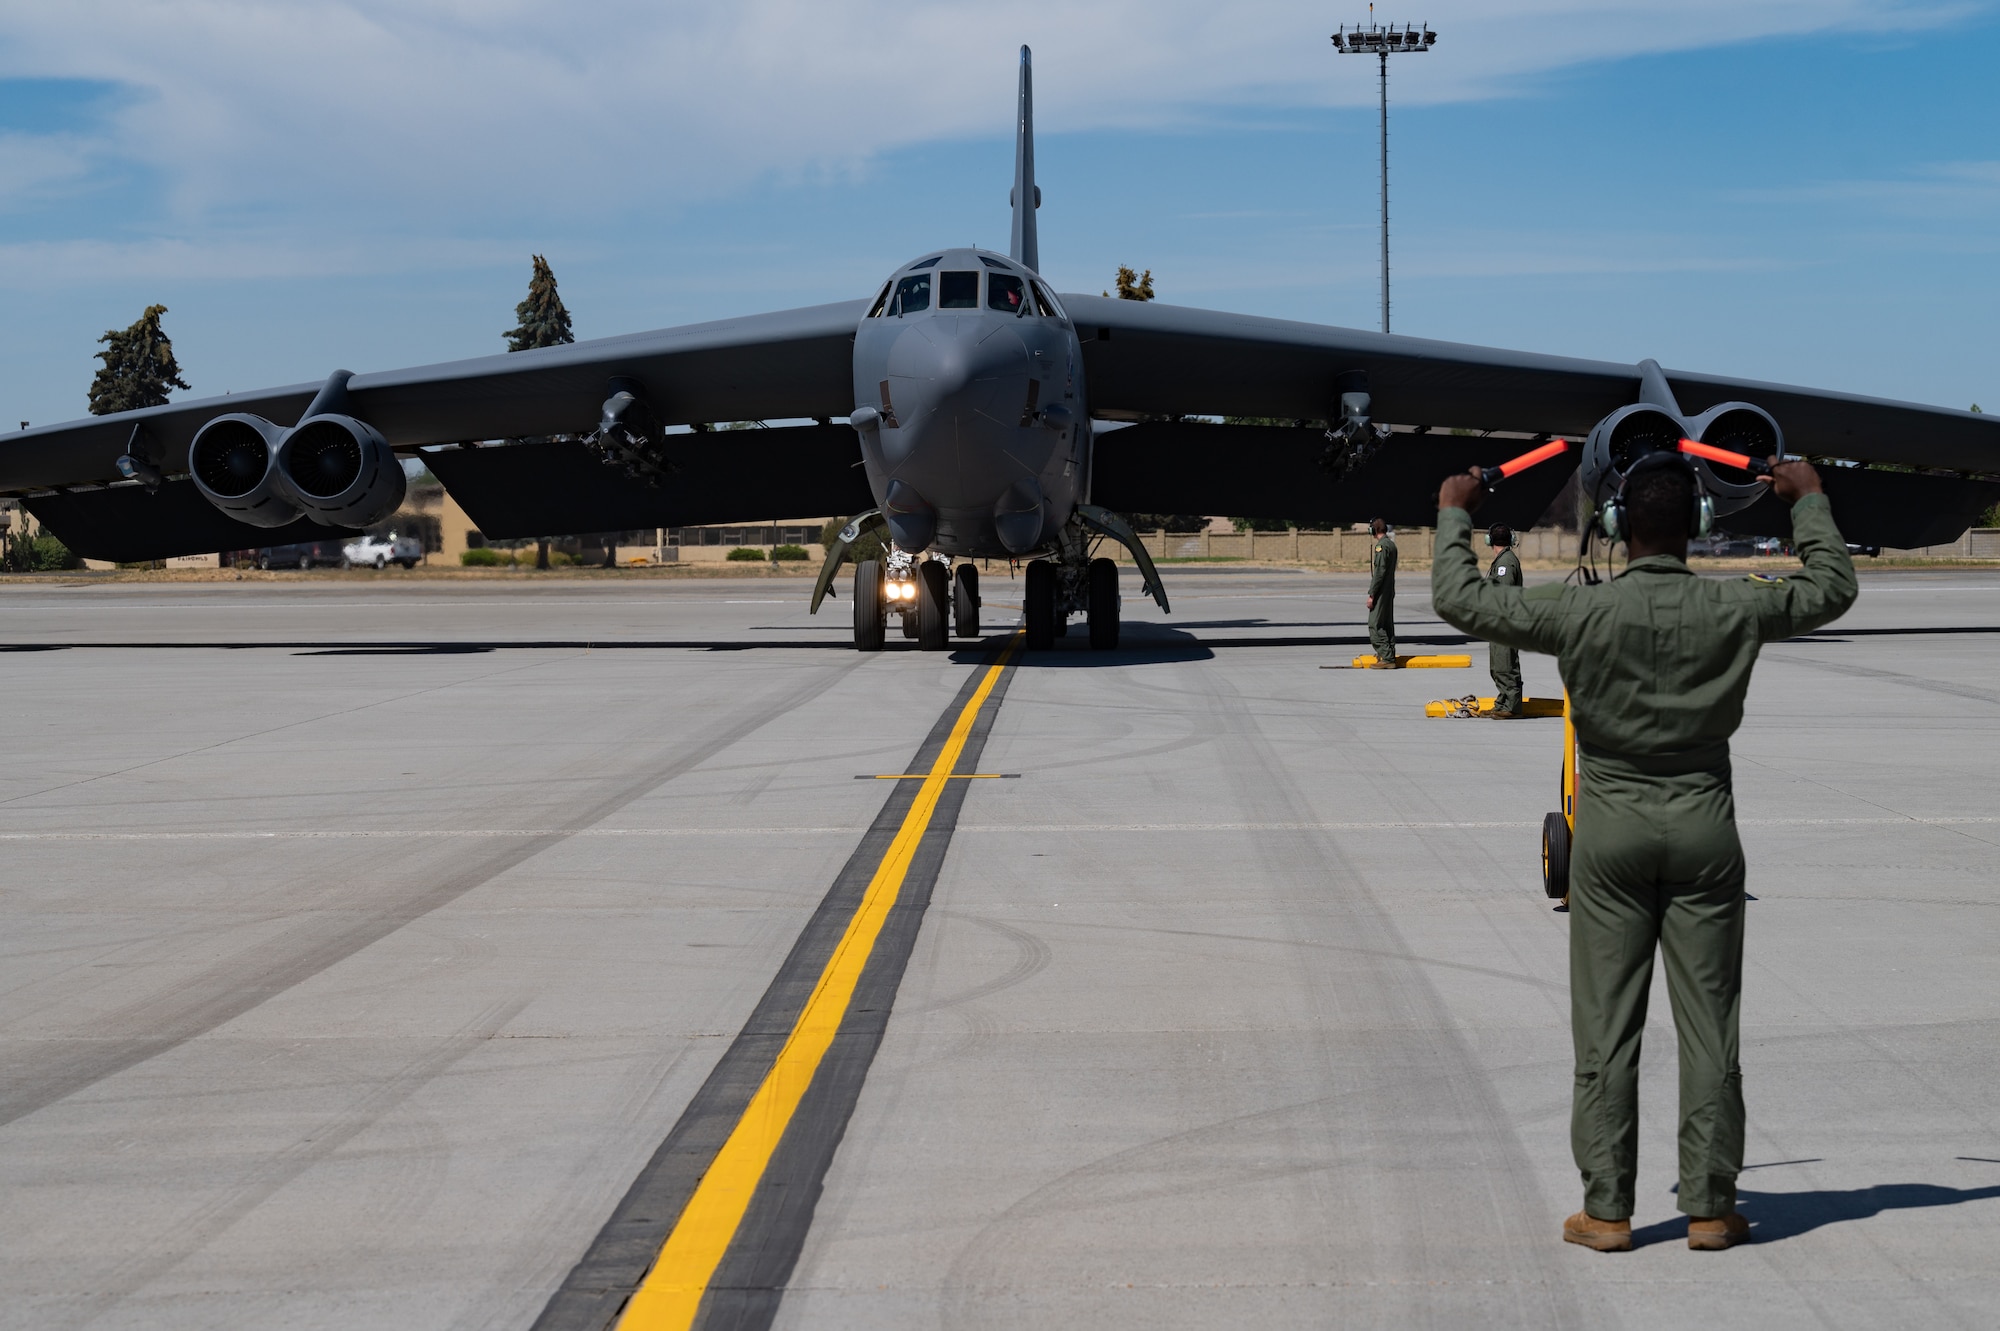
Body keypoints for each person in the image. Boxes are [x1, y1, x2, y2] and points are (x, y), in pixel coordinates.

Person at [1430, 451, 1856, 1253]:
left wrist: (1456, 510)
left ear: (1618, 528)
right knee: (1710, 1030)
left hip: (1613, 832)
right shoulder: (1735, 609)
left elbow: (1461, 598)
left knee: (1606, 1028)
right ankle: (1709, 1205)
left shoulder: (1578, 613)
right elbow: (1832, 587)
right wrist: (1808, 503)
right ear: (1699, 526)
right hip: (1704, 827)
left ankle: (1609, 1208)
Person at [1485, 524, 1524, 716]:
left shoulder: (1505, 564)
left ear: (1491, 541)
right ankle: (1504, 701)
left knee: (1505, 664)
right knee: (1498, 665)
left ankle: (1512, 705)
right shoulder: (1502, 560)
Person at [1365, 517, 1398, 667]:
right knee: (1386, 623)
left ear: (1374, 530)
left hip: (1381, 591)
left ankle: (1387, 657)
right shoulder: (1391, 545)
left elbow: (1379, 572)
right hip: (1389, 590)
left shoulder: (1381, 547)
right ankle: (1388, 653)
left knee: (1375, 624)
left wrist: (1372, 594)